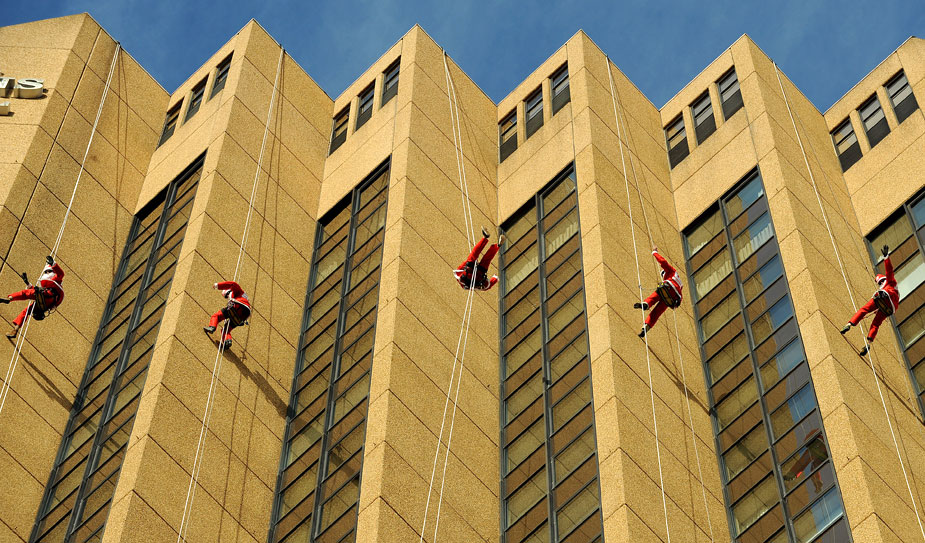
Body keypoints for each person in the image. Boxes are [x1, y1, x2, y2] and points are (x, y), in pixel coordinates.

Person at [841, 244, 897, 357]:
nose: (881, 284)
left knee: (864, 309)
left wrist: (886, 258)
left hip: (885, 297)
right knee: (876, 324)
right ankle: (868, 343)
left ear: (884, 280)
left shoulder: (890, 282)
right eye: (880, 283)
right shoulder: (890, 286)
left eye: (881, 282)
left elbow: (889, 271)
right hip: (889, 307)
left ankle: (849, 324)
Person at [2, 256, 65, 339]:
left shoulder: (56, 279)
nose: (47, 273)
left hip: (49, 297)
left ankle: (11, 298)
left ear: (53, 272)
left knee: (29, 293)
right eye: (46, 272)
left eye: (49, 271)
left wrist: (53, 264)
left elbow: (61, 274)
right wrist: (27, 283)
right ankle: (15, 330)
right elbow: (33, 291)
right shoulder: (44, 284)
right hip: (43, 298)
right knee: (26, 310)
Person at [635, 247, 683, 338]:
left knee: (656, 294)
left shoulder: (671, 271)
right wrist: (675, 305)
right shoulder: (680, 284)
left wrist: (654, 252)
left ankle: (646, 304)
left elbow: (663, 262)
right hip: (673, 299)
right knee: (657, 312)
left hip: (670, 287)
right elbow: (680, 297)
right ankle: (646, 326)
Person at [203, 281, 251, 350]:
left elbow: (233, 284)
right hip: (242, 316)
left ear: (229, 291)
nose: (227, 297)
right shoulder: (243, 296)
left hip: (238, 306)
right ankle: (227, 340)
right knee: (226, 330)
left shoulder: (238, 291)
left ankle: (212, 327)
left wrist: (217, 285)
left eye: (227, 295)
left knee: (216, 316)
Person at [454, 227, 504, 291]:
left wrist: (495, 278)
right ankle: (485, 237)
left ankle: (498, 245)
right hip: (471, 271)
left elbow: (487, 286)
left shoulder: (475, 285)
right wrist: (468, 263)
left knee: (487, 259)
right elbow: (459, 270)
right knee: (474, 254)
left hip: (479, 275)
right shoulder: (461, 279)